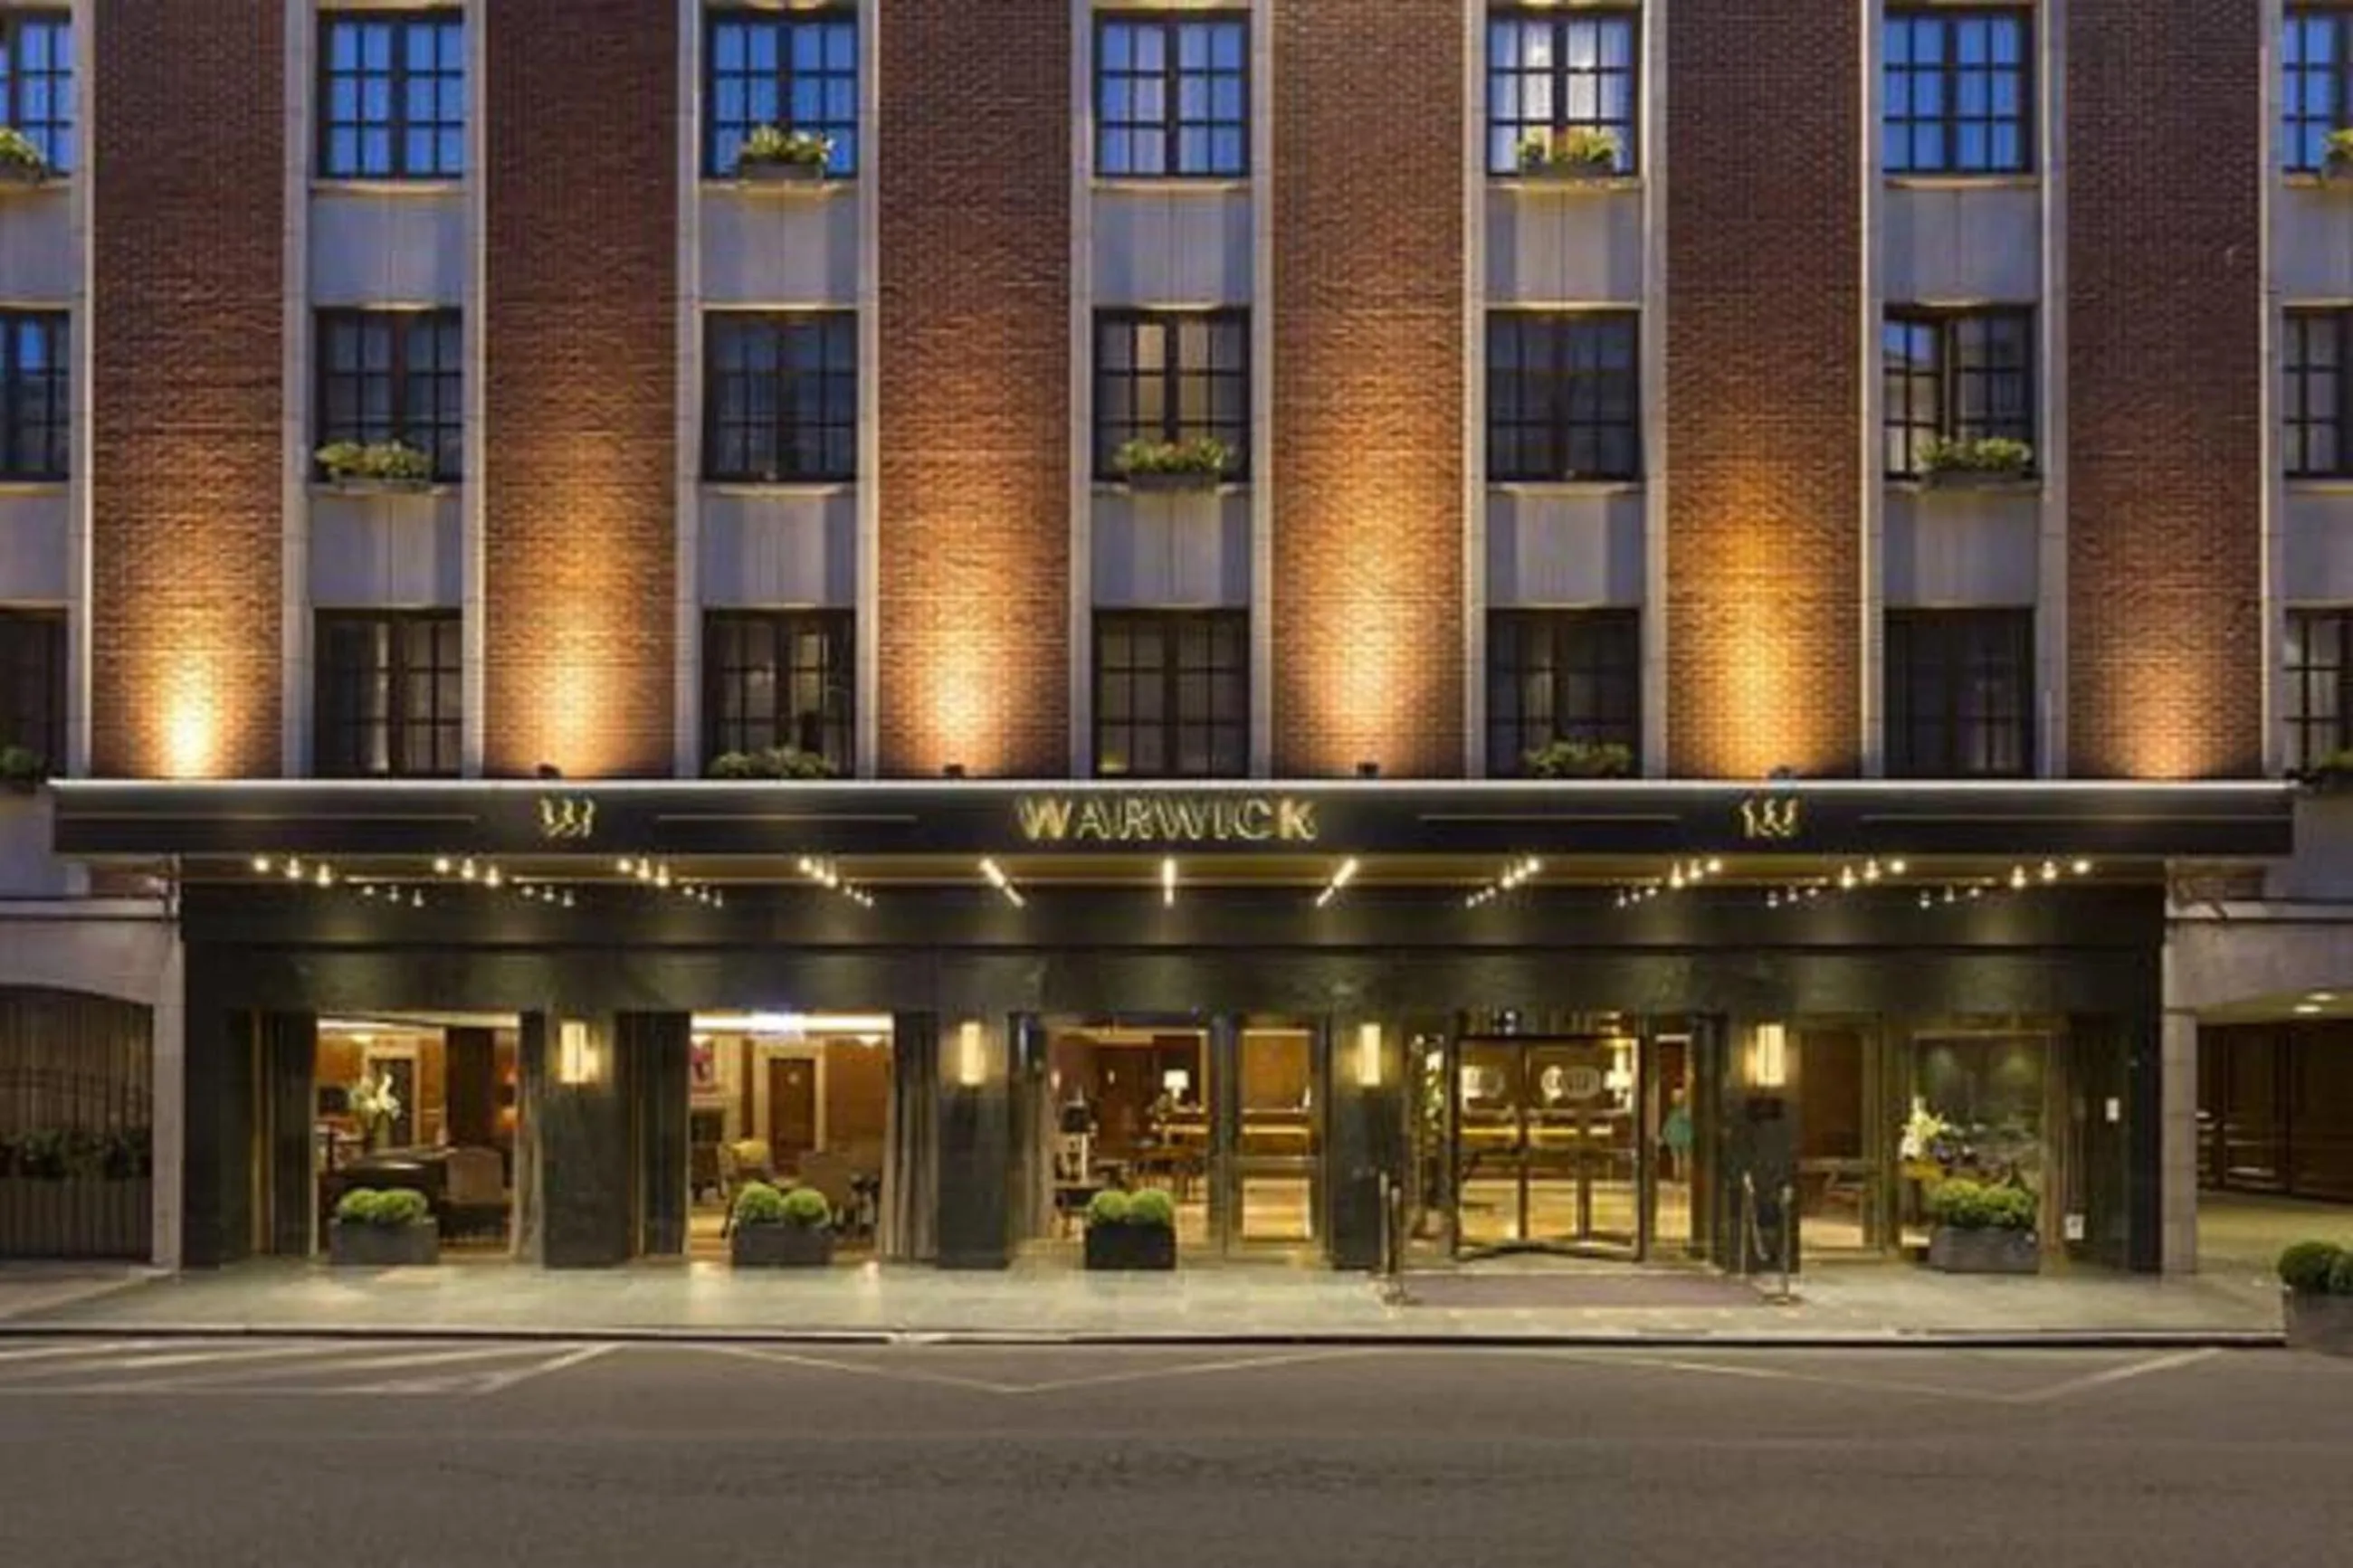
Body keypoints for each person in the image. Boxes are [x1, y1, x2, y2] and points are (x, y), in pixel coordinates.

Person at [1660, 1087, 1693, 1183]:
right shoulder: (1675, 1112)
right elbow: (1669, 1125)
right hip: (1678, 1138)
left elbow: (1670, 1125)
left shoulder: (1683, 1112)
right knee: (1678, 1157)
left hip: (1683, 1137)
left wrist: (1664, 1135)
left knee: (1683, 1157)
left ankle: (1683, 1176)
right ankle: (1679, 1176)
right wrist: (1664, 1135)